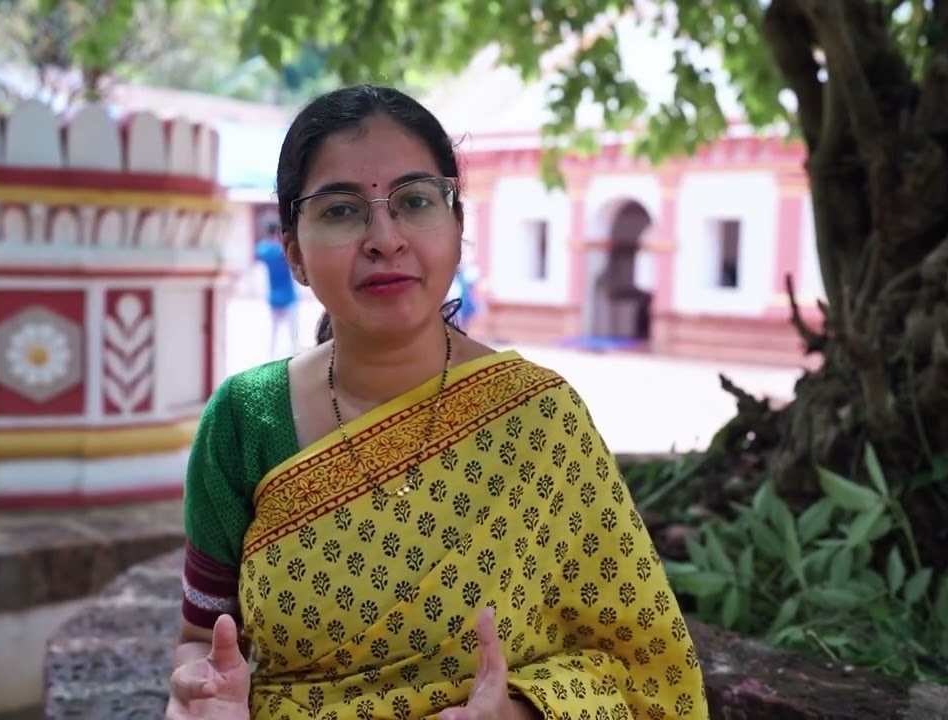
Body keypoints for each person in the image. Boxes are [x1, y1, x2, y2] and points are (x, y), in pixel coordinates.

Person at [167, 85, 707, 720]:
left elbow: (650, 673)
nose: (384, 238)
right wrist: (203, 700)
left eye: (415, 201)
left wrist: (519, 713)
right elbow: (200, 643)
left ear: (456, 228)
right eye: (341, 211)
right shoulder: (243, 420)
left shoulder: (538, 418)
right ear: (294, 254)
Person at [255, 222, 300, 359]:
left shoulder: (264, 250)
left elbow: (257, 251)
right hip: (289, 295)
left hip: (273, 296)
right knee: (293, 333)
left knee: (273, 332)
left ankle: (271, 357)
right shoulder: (285, 251)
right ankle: (295, 356)